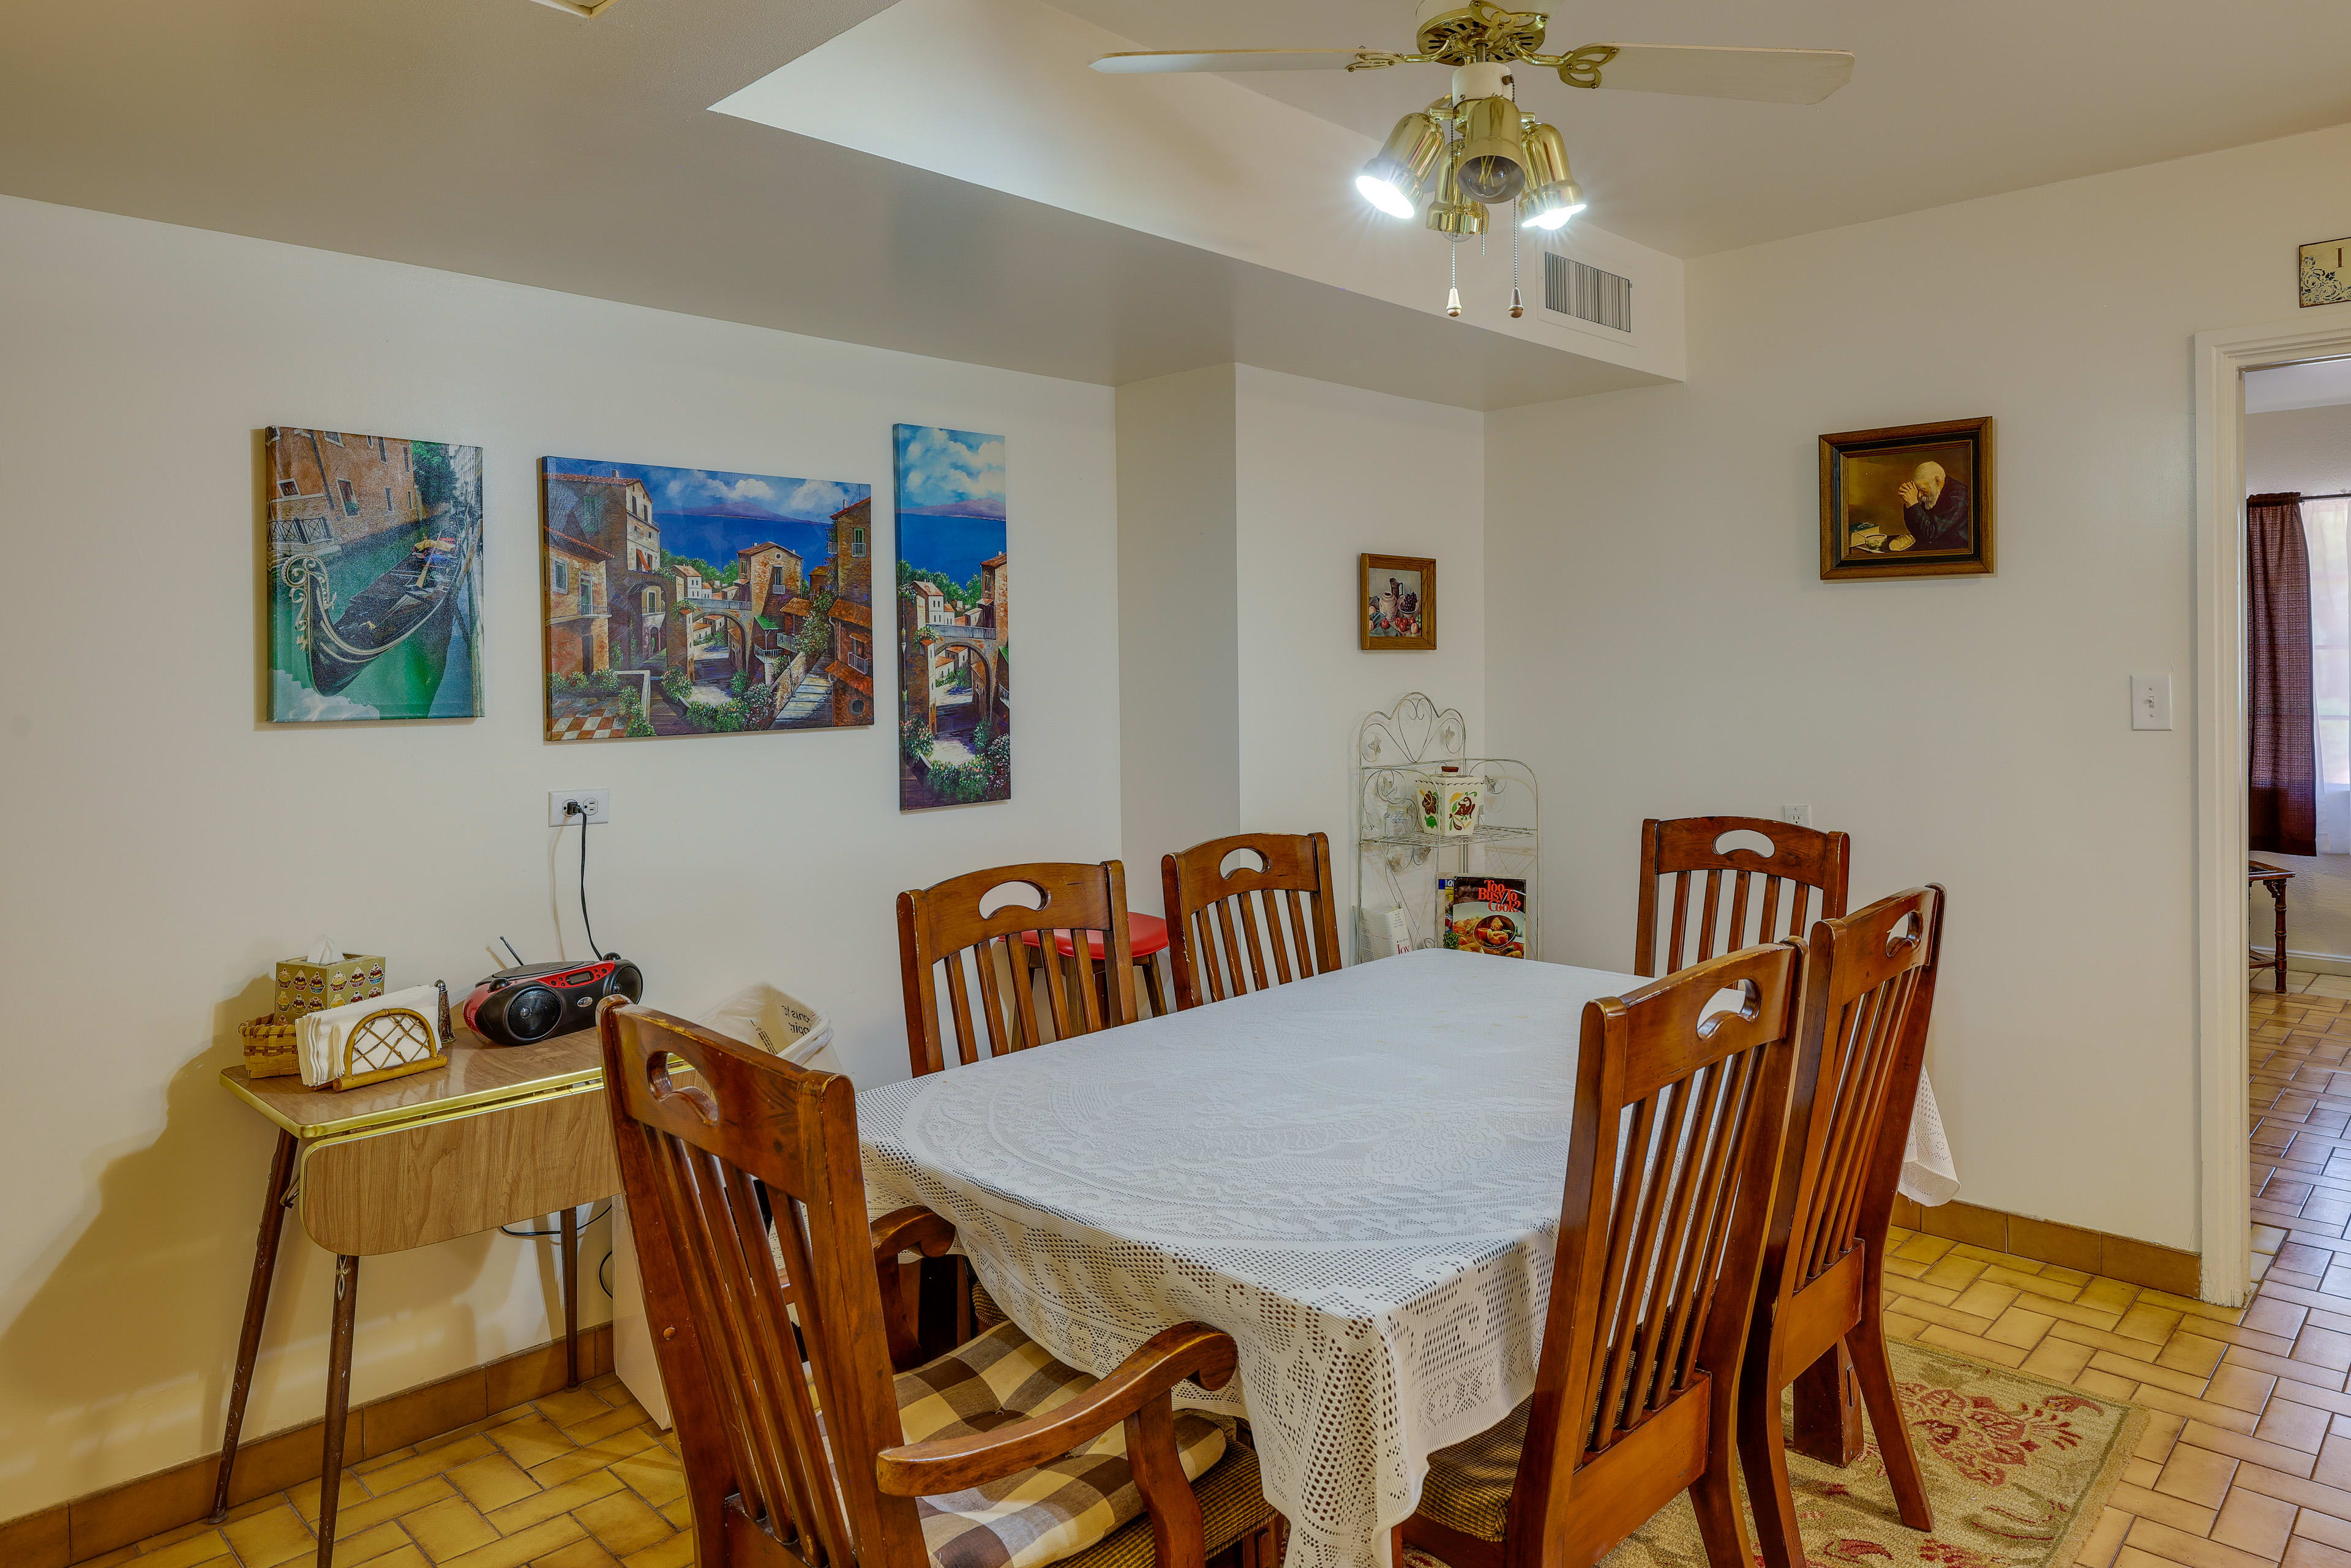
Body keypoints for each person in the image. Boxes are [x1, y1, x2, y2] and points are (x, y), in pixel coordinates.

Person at [1897, 460, 1971, 551]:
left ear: (1936, 481)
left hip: (1956, 549)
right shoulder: (1932, 491)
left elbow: (1930, 534)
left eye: (1922, 489)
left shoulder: (1957, 499)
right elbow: (1917, 531)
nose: (1920, 495)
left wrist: (1913, 504)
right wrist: (1909, 503)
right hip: (1935, 544)